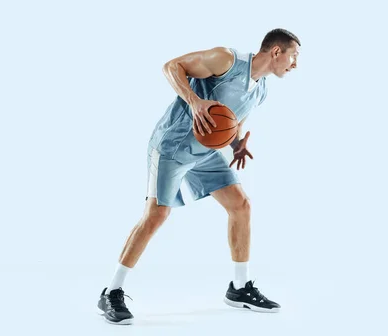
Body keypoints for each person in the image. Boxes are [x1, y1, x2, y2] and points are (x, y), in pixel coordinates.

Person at [97, 28, 301, 325]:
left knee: (240, 205)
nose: (295, 64)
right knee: (156, 214)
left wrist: (236, 144)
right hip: (172, 146)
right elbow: (171, 66)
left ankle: (240, 288)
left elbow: (230, 124)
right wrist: (194, 101)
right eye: (293, 56)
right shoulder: (226, 60)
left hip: (205, 153)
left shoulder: (261, 89)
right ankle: (111, 292)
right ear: (277, 52)